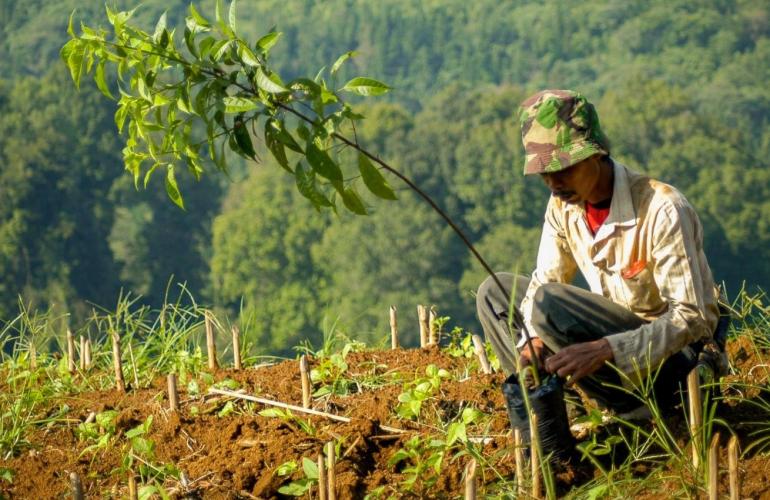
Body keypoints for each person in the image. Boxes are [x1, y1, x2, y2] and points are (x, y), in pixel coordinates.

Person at [476, 89, 721, 415]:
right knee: (496, 293)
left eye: (563, 169)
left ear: (595, 154)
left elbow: (691, 319)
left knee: (550, 304)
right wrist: (532, 341)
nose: (553, 182)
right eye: (544, 173)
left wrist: (608, 349)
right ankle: (557, 408)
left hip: (670, 364)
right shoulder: (562, 206)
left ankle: (635, 411)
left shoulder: (662, 209)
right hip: (605, 345)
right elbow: (545, 277)